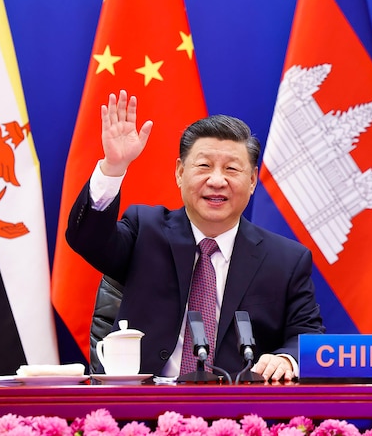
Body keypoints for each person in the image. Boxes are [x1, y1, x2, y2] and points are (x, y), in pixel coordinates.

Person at [66, 90, 324, 382]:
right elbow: (86, 238)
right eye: (203, 166)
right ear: (179, 172)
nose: (216, 180)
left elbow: (308, 336)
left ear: (252, 181)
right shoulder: (145, 230)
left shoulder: (285, 259)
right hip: (144, 407)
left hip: (239, 412)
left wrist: (286, 358)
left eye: (231, 169)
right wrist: (113, 168)